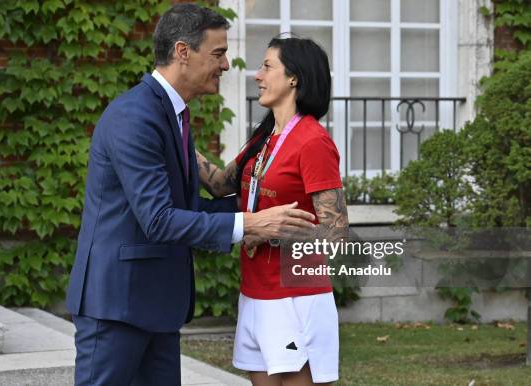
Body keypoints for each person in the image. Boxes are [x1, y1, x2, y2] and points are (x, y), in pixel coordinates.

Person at [65, 5, 318, 386]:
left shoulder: (173, 114)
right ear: (183, 52)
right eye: (218, 53)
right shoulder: (136, 116)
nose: (227, 65)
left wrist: (252, 209)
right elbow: (158, 219)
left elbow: (186, 206)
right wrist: (248, 223)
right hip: (117, 306)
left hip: (157, 308)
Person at [196, 36, 348, 385]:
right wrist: (178, 139)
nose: (257, 75)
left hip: (296, 297)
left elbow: (336, 233)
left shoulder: (313, 142)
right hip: (255, 292)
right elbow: (220, 184)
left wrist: (272, 230)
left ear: (293, 77)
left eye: (267, 66)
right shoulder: (263, 139)